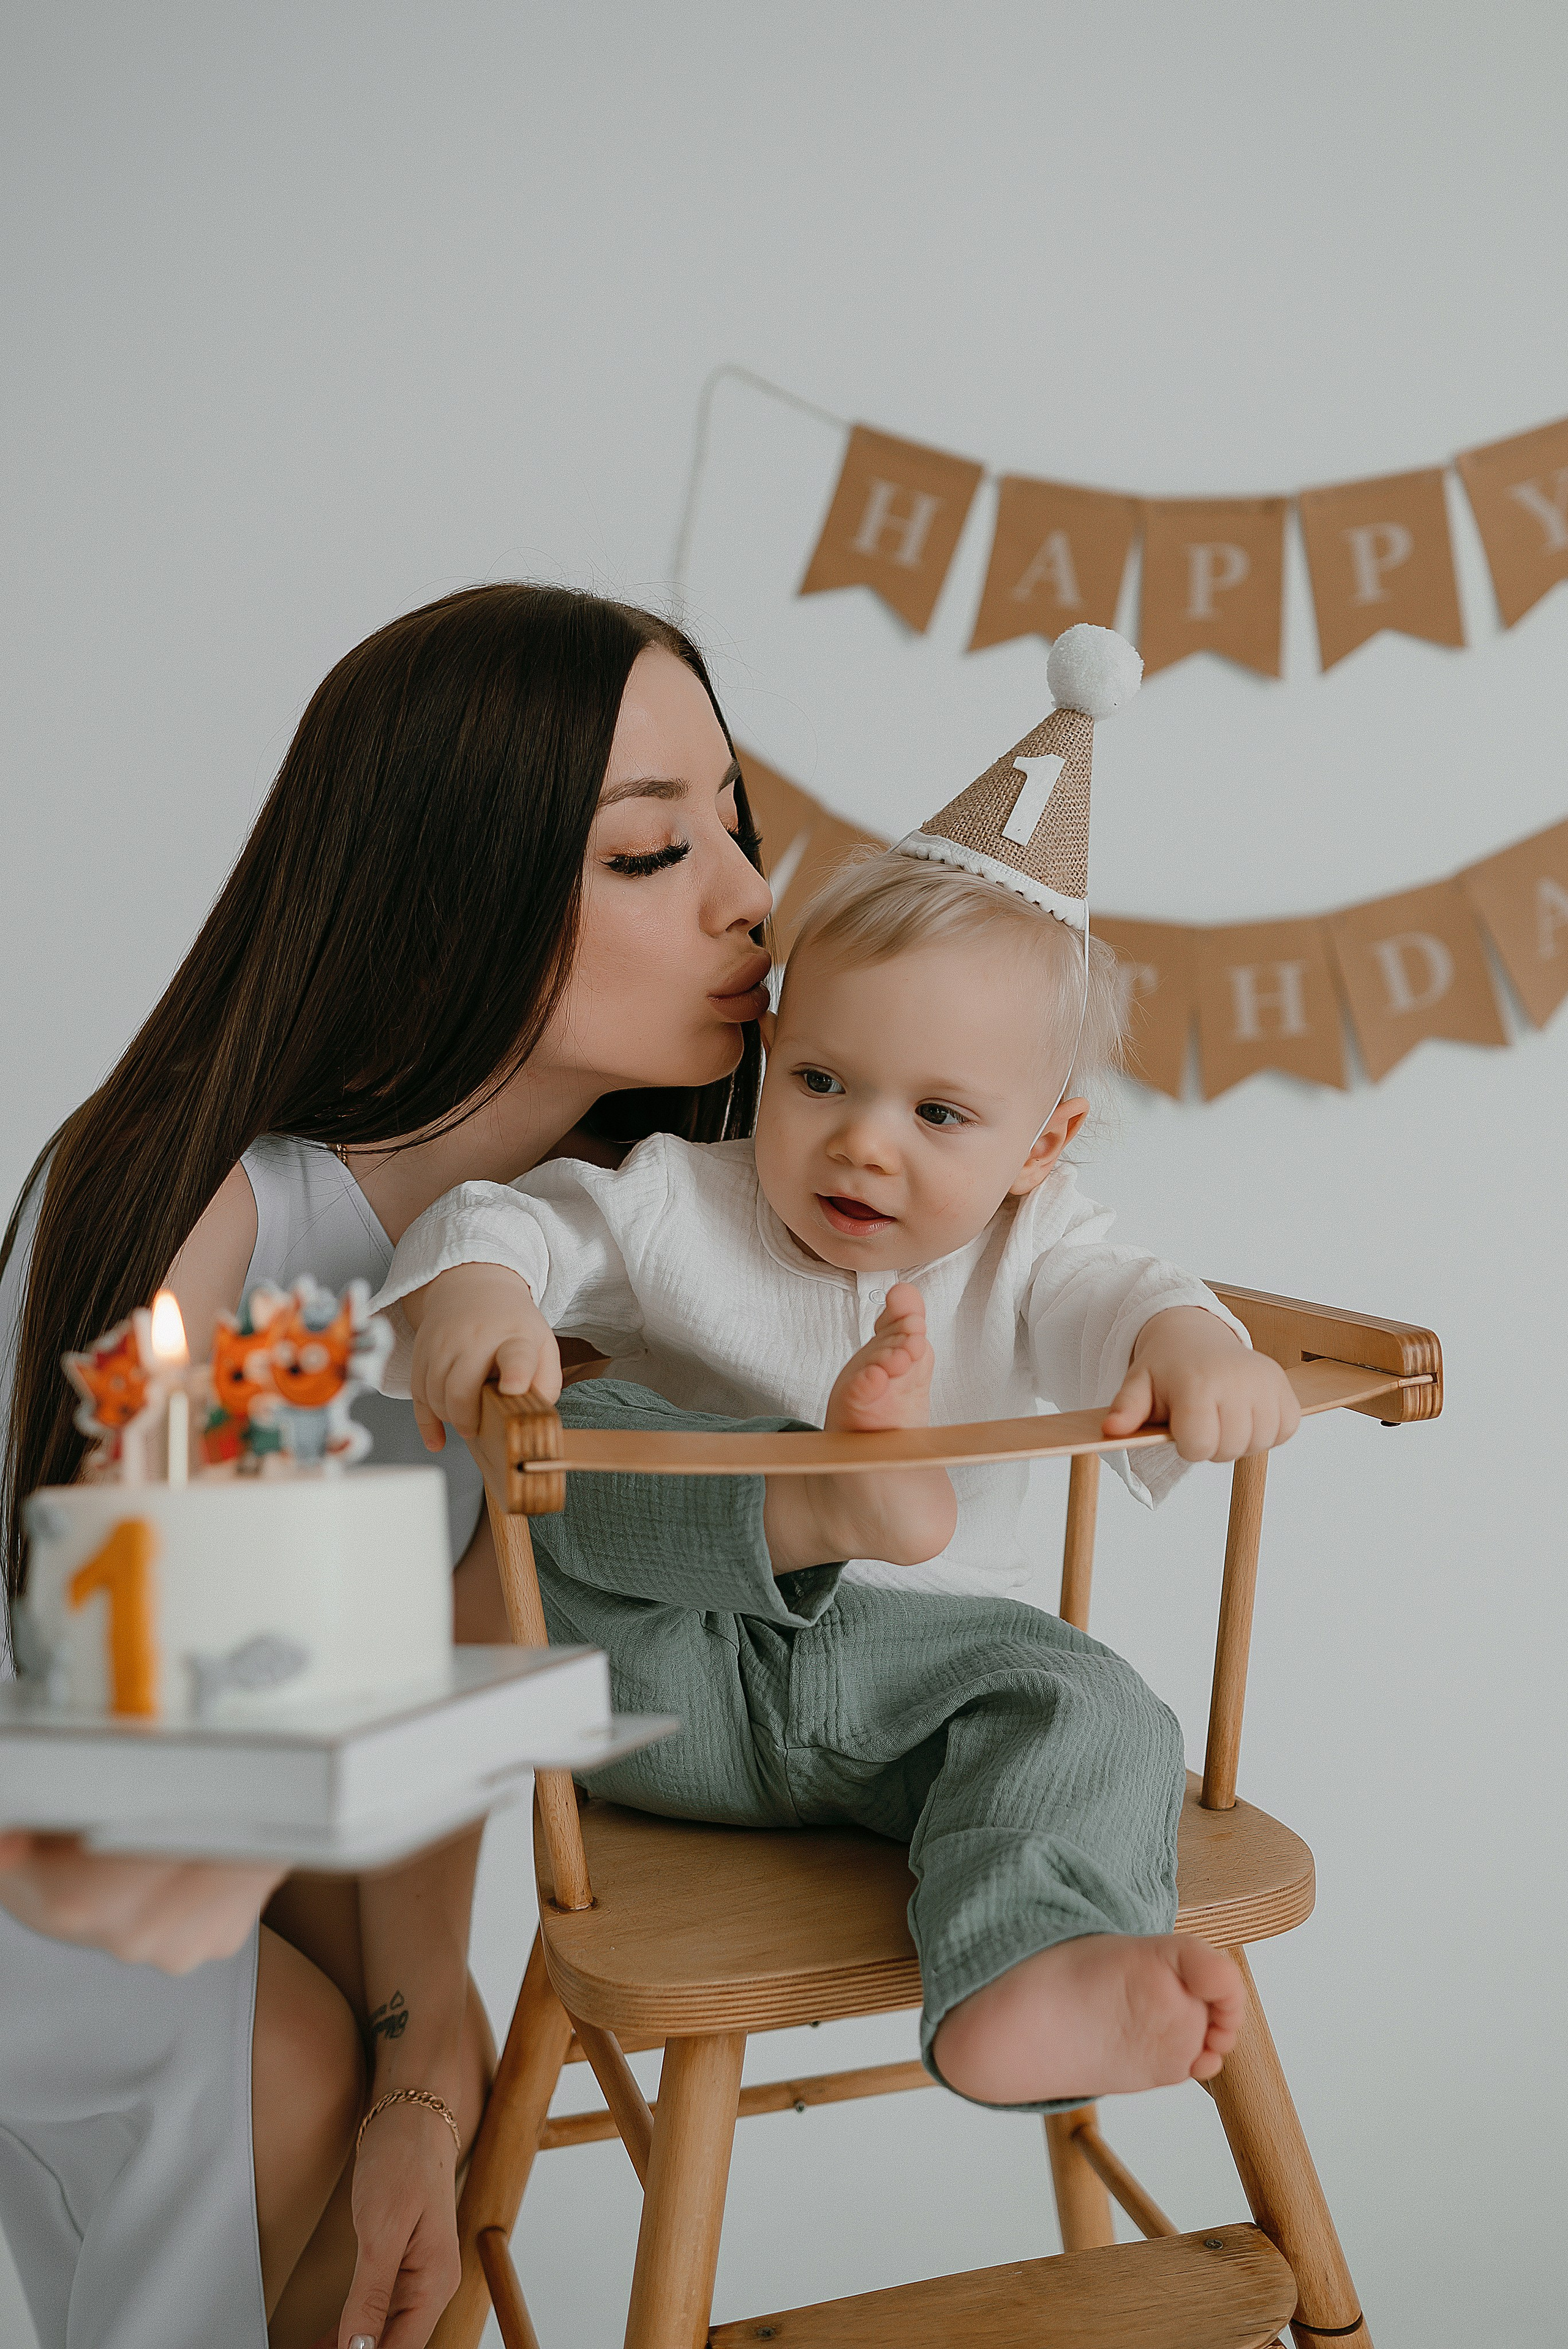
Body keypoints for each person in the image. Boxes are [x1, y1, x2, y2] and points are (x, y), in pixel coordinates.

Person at [0, 582, 872, 2348]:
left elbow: (442, 1660)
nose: (749, 896)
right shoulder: (209, 1214)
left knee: (420, 2125)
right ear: (452, 882)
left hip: (197, 1802)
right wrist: (371, 2024)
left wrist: (424, 2036)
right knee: (296, 2067)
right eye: (650, 852)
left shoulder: (559, 1267)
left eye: (738, 824)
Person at [365, 842, 1300, 2110]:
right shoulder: (675, 1200)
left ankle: (1029, 1969)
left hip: (917, 1687)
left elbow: (1127, 1298)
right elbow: (502, 1218)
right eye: (819, 1080)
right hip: (664, 1672)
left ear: (1043, 1142)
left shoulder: (1036, 1246)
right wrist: (480, 1290)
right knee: (578, 1432)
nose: (862, 1144)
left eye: (936, 1114)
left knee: (1094, 1708)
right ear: (770, 1056)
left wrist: (1188, 1347)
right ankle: (818, 1494)